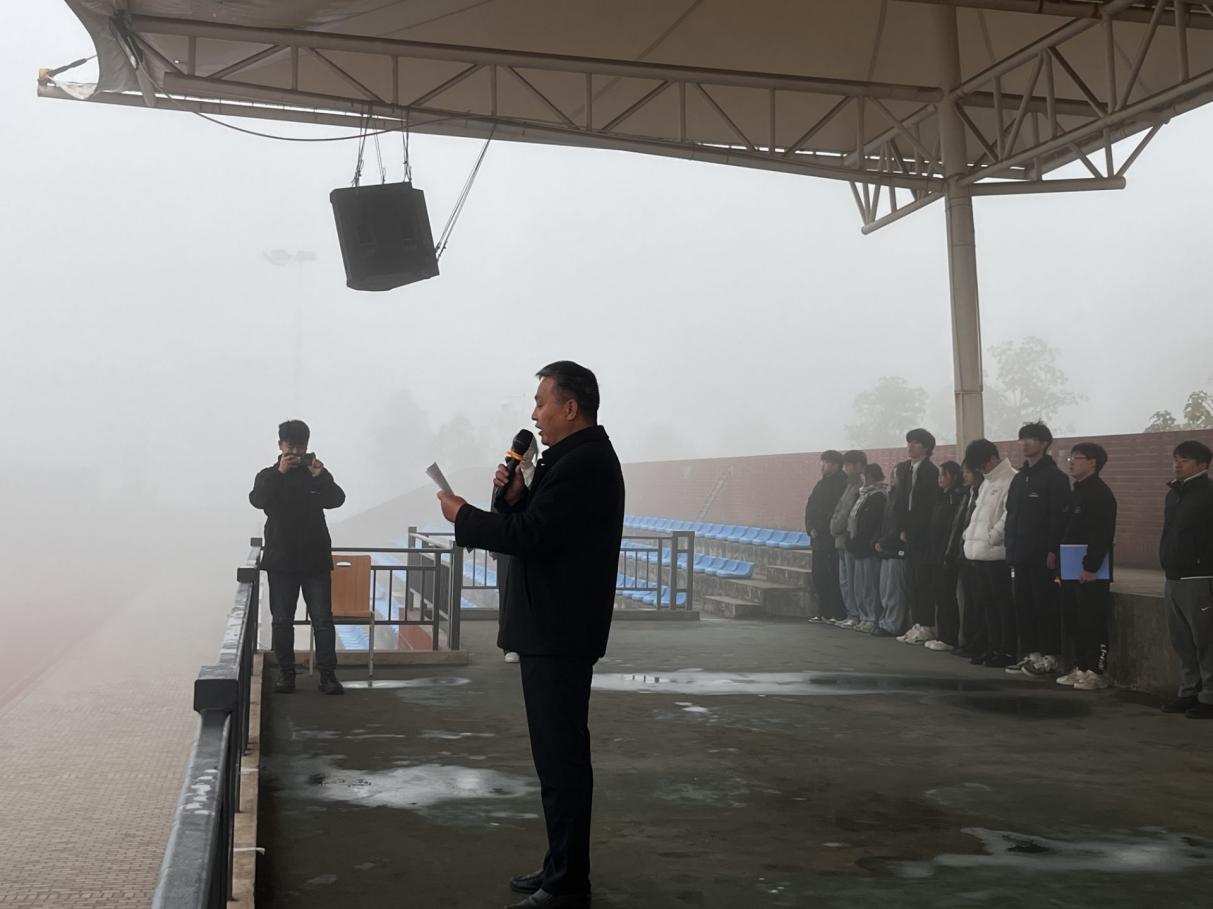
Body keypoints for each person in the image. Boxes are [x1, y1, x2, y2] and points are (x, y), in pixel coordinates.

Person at [436, 361, 624, 908]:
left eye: (542, 401)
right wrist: (516, 495)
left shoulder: (584, 463)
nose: (534, 414)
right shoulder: (568, 461)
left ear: (571, 407)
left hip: (560, 630)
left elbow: (533, 538)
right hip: (552, 628)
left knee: (562, 760)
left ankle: (567, 885)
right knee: (555, 758)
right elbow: (534, 526)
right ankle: (559, 865)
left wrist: (463, 516)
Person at [249, 419, 346, 695]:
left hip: (315, 559)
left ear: (307, 446)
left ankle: (328, 676)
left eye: (300, 446)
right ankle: (286, 675)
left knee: (323, 621)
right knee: (282, 621)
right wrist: (280, 473)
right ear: (280, 445)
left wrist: (321, 476)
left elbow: (337, 499)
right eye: (290, 446)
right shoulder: (268, 475)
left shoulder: (315, 474)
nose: (295, 452)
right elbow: (258, 499)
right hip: (281, 560)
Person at [1004, 422, 1071, 679]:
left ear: (1044, 444)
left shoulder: (1055, 478)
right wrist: (1010, 549)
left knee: (1046, 606)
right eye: (1022, 439)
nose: (1024, 444)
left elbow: (1058, 518)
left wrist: (1053, 550)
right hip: (1020, 554)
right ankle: (1031, 654)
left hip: (1043, 556)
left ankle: (1050, 656)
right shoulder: (1020, 478)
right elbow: (1011, 516)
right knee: (1023, 605)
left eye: (1031, 439)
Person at [1159, 439, 1213, 719]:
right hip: (1174, 575)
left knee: (1206, 641)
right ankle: (1189, 691)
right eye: (1176, 459)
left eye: (1185, 460)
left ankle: (1209, 697)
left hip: (1200, 575)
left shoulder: (1208, 493)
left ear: (1202, 465)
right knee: (1182, 640)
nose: (1177, 464)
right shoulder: (1174, 494)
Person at [1056, 442, 1117, 691]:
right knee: (1074, 619)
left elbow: (1102, 534)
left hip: (1091, 572)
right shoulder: (1076, 493)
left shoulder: (1100, 494)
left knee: (1092, 620)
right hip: (1070, 569)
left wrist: (1091, 566)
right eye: (1070, 458)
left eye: (1077, 458)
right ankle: (1080, 666)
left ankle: (1096, 670)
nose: (1071, 462)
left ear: (1093, 462)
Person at [962, 439, 1017, 668]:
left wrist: (993, 536)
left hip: (997, 554)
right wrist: (969, 535)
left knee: (1001, 604)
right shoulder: (987, 482)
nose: (981, 469)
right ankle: (992, 647)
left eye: (982, 465)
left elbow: (1009, 514)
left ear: (993, 458)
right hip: (979, 553)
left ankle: (1006, 649)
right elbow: (977, 514)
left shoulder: (1011, 478)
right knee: (986, 603)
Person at [894, 428, 942, 644]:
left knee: (923, 581)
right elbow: (900, 501)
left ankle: (927, 625)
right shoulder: (904, 469)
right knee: (912, 581)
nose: (910, 446)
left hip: (924, 534)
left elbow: (927, 505)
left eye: (915, 443)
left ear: (926, 447)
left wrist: (919, 528)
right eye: (909, 442)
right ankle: (918, 622)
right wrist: (902, 527)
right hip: (908, 534)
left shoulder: (931, 471)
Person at [924, 461, 965, 652]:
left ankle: (949, 637)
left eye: (944, 475)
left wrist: (946, 552)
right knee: (939, 595)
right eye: (939, 475)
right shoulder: (941, 497)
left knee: (947, 596)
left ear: (954, 476)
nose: (940, 478)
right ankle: (942, 635)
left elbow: (951, 529)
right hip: (936, 552)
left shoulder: (955, 498)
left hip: (947, 553)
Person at [804, 450, 848, 623]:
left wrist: (820, 528)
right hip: (817, 538)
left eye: (826, 462)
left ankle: (837, 612)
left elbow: (836, 511)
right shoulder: (820, 484)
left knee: (833, 575)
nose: (822, 465)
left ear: (836, 465)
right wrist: (810, 527)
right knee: (819, 575)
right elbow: (810, 507)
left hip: (830, 538)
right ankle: (823, 611)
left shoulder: (842, 484)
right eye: (821, 462)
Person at [846, 463, 889, 635]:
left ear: (870, 476)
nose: (862, 478)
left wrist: (860, 540)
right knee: (860, 585)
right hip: (858, 546)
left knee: (870, 585)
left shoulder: (878, 496)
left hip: (867, 547)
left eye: (864, 475)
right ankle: (864, 616)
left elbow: (871, 523)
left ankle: (872, 618)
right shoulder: (862, 494)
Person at [950, 463, 986, 660]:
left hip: (977, 555)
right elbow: (959, 524)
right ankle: (969, 640)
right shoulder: (967, 494)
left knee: (978, 603)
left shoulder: (983, 493)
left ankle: (978, 643)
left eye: (967, 471)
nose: (964, 475)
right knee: (968, 602)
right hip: (963, 553)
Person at [828, 450, 867, 628]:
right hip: (840, 541)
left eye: (849, 465)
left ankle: (855, 614)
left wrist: (835, 527)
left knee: (852, 581)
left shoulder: (859, 487)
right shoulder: (848, 486)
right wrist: (834, 526)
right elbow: (839, 509)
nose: (846, 469)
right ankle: (851, 613)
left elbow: (846, 513)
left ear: (859, 466)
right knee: (845, 581)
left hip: (848, 540)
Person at [879, 467, 911, 639]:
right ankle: (885, 620)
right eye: (892, 474)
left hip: (896, 549)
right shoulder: (891, 496)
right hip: (886, 549)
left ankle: (893, 624)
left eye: (896, 475)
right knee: (885, 589)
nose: (892, 478)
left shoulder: (903, 497)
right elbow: (885, 523)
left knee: (895, 590)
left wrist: (884, 541)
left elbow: (897, 525)